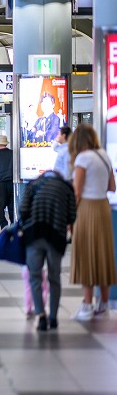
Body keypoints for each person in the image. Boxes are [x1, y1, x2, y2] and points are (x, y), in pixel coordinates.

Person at [18, 169, 77, 331]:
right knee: (54, 277)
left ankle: (41, 316)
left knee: (35, 277)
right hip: (55, 237)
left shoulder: (33, 185)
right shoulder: (66, 188)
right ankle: (53, 317)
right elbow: (72, 216)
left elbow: (22, 211)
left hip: (34, 235)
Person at [69, 123, 117, 320]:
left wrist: (69, 215)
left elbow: (77, 192)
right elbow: (112, 186)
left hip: (87, 209)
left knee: (86, 253)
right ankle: (103, 304)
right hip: (103, 208)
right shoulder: (103, 155)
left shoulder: (82, 158)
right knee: (103, 254)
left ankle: (87, 306)